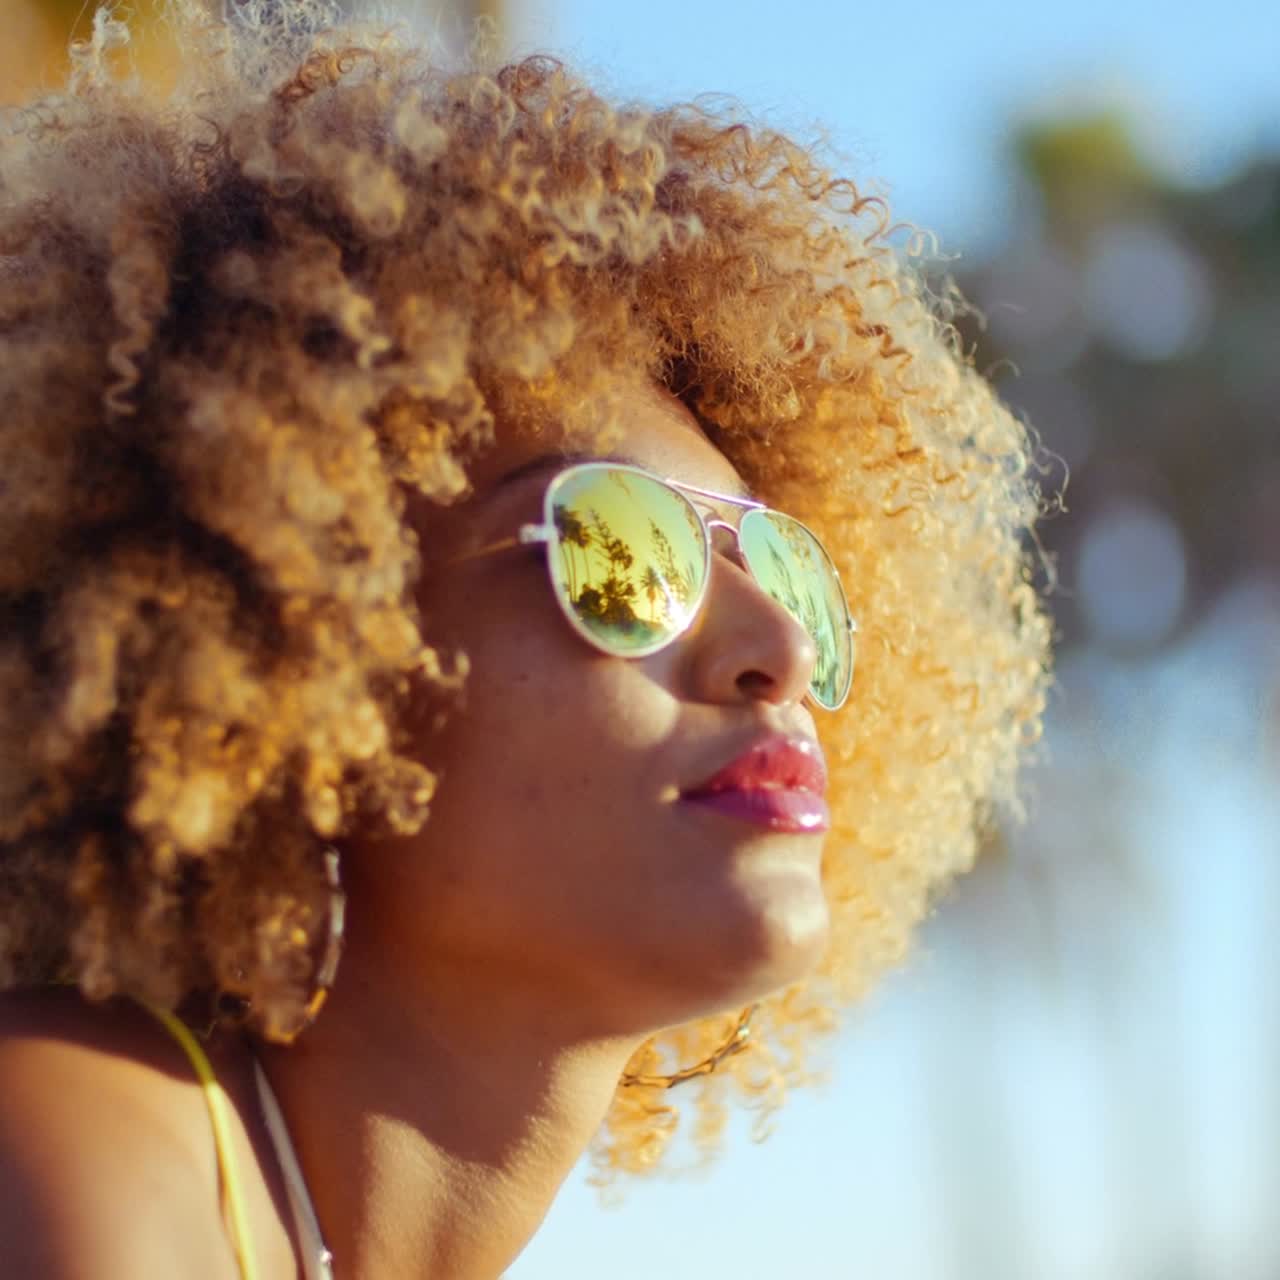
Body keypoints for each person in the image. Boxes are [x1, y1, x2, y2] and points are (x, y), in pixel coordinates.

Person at [0, 3, 1052, 1275]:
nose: (772, 642)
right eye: (623, 549)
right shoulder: (73, 1147)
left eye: (788, 565)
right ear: (292, 651)